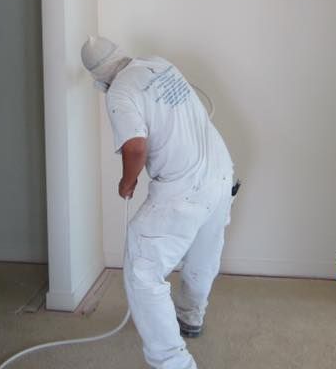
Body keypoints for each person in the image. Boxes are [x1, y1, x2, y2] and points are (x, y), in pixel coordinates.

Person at [81, 35, 235, 369]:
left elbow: (135, 147)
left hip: (185, 185)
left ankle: (172, 362)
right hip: (220, 171)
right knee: (202, 252)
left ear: (99, 78)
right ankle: (190, 317)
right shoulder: (158, 64)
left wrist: (128, 180)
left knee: (143, 267)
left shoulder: (119, 91)